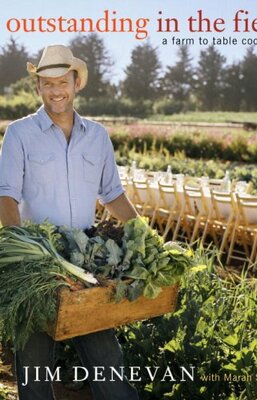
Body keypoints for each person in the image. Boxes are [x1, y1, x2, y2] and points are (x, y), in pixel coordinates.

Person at [0, 44, 139, 400]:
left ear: (76, 83)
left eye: (62, 81)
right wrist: (28, 256)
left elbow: (113, 194)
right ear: (38, 87)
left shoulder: (97, 137)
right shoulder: (19, 134)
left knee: (106, 358)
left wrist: (145, 235)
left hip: (85, 265)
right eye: (47, 83)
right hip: (38, 267)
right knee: (33, 367)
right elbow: (6, 197)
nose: (55, 90)